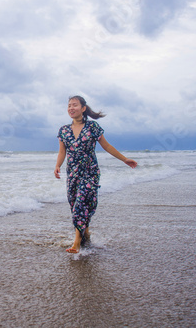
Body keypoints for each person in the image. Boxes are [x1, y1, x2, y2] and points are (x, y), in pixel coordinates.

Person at [54, 95, 138, 254]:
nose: (71, 108)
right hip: (72, 174)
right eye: (69, 105)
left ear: (83, 108)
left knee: (81, 204)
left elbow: (106, 146)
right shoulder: (63, 130)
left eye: (75, 105)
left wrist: (124, 159)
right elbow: (62, 151)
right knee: (74, 205)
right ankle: (85, 233)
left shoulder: (93, 127)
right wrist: (57, 165)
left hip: (90, 172)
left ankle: (76, 243)